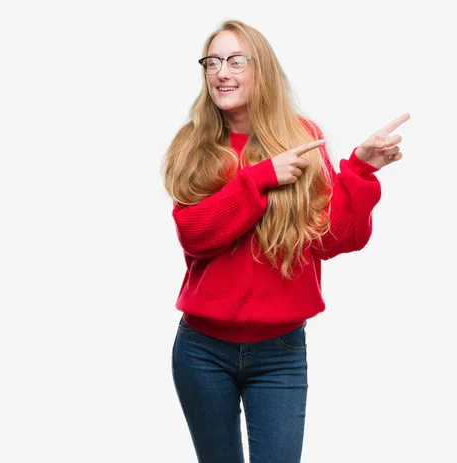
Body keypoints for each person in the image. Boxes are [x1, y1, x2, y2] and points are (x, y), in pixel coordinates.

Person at [162, 19, 410, 463]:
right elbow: (195, 234)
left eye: (236, 60)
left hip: (280, 352)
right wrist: (260, 178)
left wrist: (359, 170)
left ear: (263, 70)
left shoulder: (302, 137)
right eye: (212, 62)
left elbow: (332, 240)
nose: (222, 72)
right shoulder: (193, 144)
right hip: (201, 350)